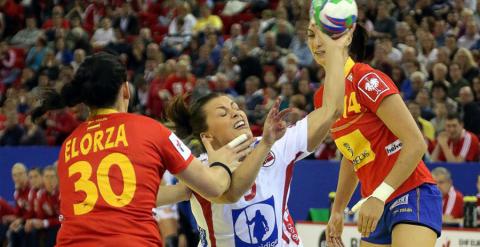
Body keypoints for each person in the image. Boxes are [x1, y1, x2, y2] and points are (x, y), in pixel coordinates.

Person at [31, 52, 257, 247]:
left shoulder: (69, 144)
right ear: (126, 90)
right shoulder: (149, 129)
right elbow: (215, 186)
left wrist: (186, 190)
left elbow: (128, 199)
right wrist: (222, 161)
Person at [157, 23, 349, 246]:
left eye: (235, 107)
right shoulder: (201, 170)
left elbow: (331, 110)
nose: (236, 113)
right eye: (223, 113)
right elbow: (231, 192)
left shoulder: (277, 144)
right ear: (206, 136)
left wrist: (335, 51)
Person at [313, 25, 441, 247]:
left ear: (346, 40)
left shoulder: (365, 79)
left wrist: (379, 196)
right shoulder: (322, 98)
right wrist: (337, 210)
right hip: (373, 203)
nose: (316, 42)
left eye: (325, 36)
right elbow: (351, 155)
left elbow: (416, 143)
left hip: (410, 191)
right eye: (310, 35)